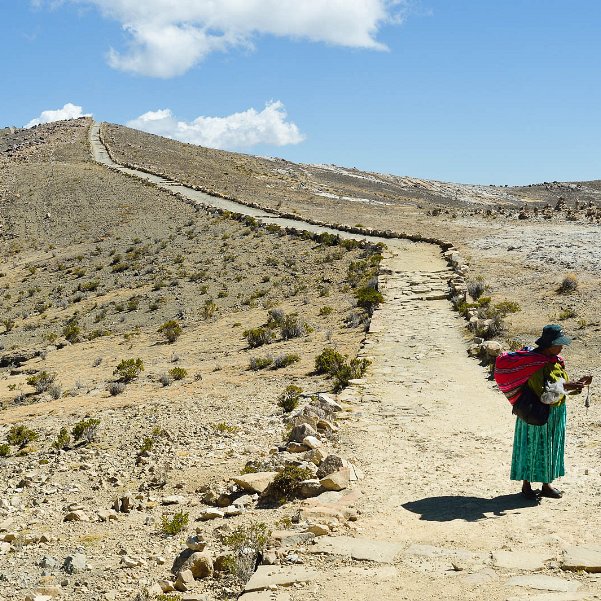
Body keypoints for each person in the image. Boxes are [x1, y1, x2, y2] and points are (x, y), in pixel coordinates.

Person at [510, 324, 592, 499]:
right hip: (537, 414)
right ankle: (527, 484)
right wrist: (567, 386)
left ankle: (546, 484)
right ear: (549, 344)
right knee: (532, 446)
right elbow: (544, 395)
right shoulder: (535, 365)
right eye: (559, 344)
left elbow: (560, 386)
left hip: (555, 413)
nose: (562, 347)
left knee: (550, 447)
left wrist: (578, 384)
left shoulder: (556, 361)